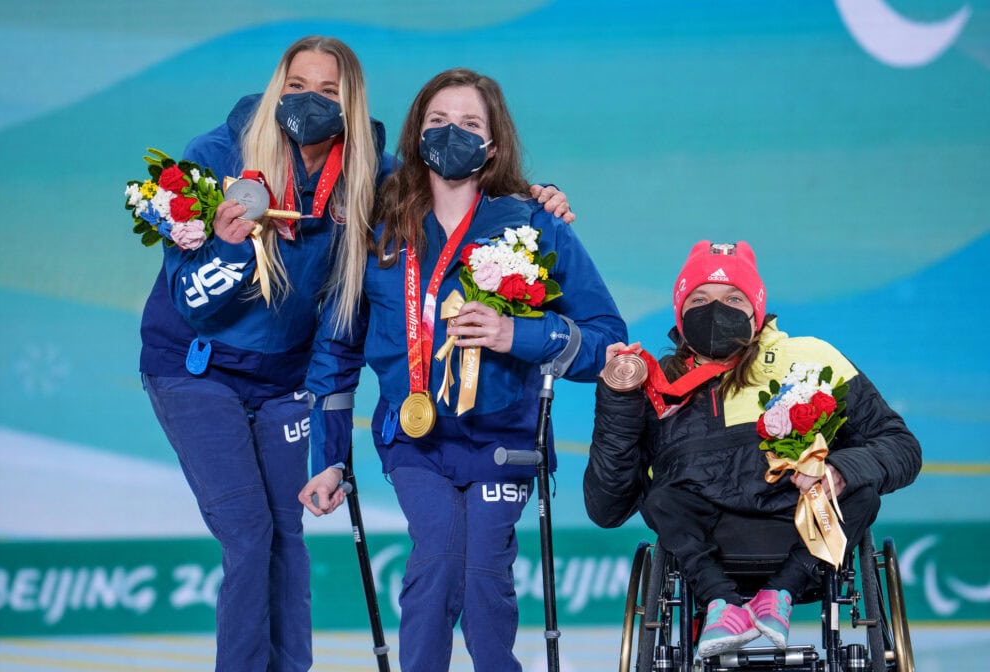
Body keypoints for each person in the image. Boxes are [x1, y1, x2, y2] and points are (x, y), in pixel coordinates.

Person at [138, 37, 571, 671]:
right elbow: (192, 301)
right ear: (275, 90)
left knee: (286, 535)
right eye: (296, 87)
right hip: (195, 367)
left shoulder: (375, 173)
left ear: (351, 102)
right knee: (251, 535)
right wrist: (231, 250)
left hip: (285, 377)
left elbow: (452, 189)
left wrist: (534, 199)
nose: (309, 102)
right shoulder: (214, 158)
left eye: (327, 91)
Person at [299, 68, 627, 672]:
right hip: (416, 438)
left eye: (470, 124)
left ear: (493, 145)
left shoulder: (534, 225)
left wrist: (516, 334)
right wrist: (328, 459)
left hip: (505, 442)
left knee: (483, 578)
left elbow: (608, 343)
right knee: (436, 562)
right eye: (439, 122)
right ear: (417, 134)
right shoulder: (379, 231)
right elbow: (337, 351)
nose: (453, 134)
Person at [583, 240, 921, 659]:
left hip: (801, 530)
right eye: (700, 298)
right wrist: (619, 399)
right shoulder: (657, 385)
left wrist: (838, 469)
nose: (715, 310)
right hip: (706, 544)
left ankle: (778, 593)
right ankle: (721, 604)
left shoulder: (812, 359)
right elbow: (607, 507)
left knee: (859, 490)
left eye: (733, 298)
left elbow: (901, 447)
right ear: (680, 312)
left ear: (756, 309)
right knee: (663, 496)